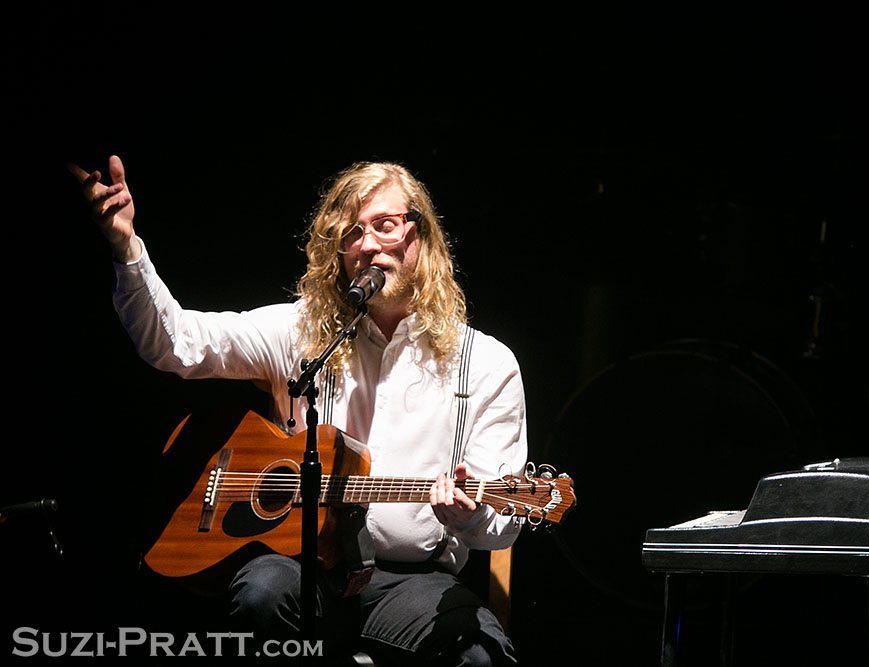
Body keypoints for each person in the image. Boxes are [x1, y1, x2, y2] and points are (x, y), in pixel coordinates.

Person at [69, 155, 528, 665]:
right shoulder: (304, 334)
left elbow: (503, 523)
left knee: (479, 657)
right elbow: (177, 344)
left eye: (385, 224)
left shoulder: (485, 363)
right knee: (262, 595)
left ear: (422, 237)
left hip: (412, 583)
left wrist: (466, 516)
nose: (369, 244)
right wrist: (126, 246)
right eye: (352, 233)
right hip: (303, 567)